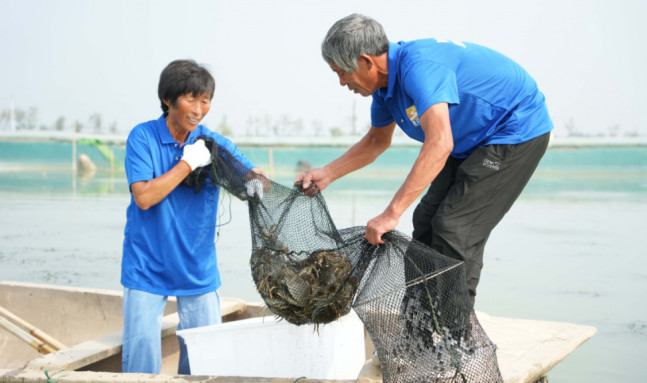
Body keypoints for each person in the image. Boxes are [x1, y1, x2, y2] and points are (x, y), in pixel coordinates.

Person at [296, 14, 553, 308]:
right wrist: (328, 173)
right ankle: (422, 322)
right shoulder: (384, 92)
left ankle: (457, 336)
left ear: (366, 61)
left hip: (513, 129)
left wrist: (391, 213)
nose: (342, 82)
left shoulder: (420, 68)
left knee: (454, 228)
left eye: (342, 72)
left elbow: (440, 142)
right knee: (426, 220)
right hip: (469, 139)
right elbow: (376, 142)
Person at [121, 59, 264, 374]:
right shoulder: (142, 137)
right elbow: (144, 197)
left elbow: (255, 177)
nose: (199, 108)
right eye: (190, 99)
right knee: (141, 350)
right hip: (147, 264)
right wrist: (187, 164)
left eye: (206, 100)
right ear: (168, 100)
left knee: (206, 356)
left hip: (197, 265)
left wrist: (256, 184)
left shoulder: (213, 143)